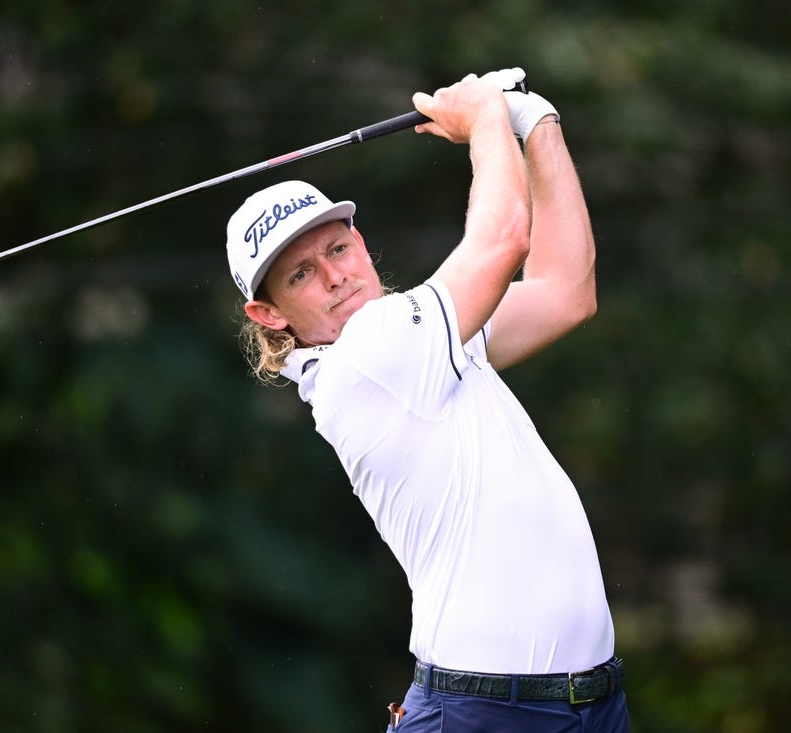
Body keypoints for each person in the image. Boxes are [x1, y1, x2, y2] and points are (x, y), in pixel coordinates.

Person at [224, 69, 630, 732]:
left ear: (358, 239)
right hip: (486, 714)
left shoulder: (425, 338)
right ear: (269, 313)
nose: (334, 275)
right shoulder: (368, 354)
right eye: (302, 273)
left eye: (337, 247)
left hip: (588, 704)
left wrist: (536, 125)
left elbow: (565, 290)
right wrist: (485, 120)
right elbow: (503, 239)